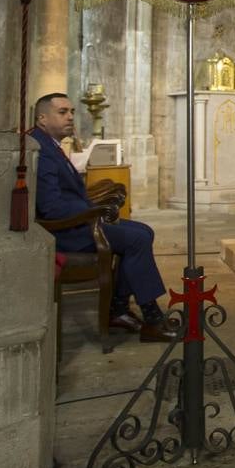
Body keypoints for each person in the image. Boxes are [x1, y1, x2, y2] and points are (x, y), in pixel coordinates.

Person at [31, 92, 174, 342]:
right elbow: (51, 207)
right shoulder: (41, 150)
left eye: (72, 112)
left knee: (144, 232)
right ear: (42, 118)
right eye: (62, 112)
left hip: (81, 222)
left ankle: (118, 309)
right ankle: (151, 318)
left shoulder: (49, 145)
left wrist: (94, 211)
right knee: (136, 239)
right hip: (67, 232)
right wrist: (95, 213)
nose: (71, 117)